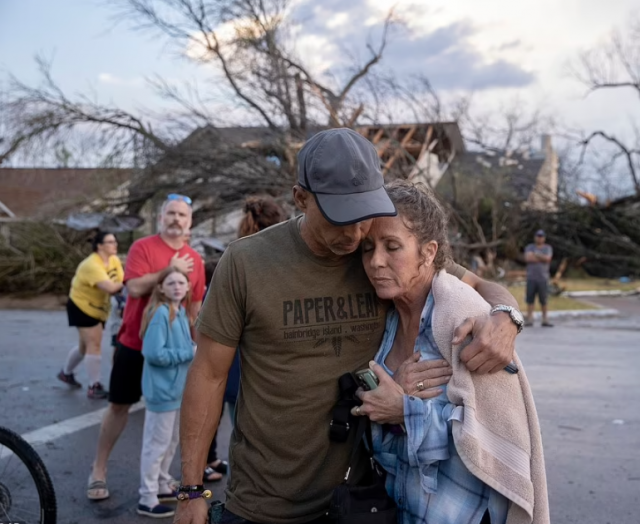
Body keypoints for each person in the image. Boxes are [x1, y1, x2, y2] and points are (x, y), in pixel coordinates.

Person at [175, 128, 524, 524]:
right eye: (340, 218)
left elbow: (480, 285)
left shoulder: (380, 260)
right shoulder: (246, 263)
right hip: (263, 504)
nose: (355, 234)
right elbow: (208, 374)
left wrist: (506, 317)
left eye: (363, 216)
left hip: (359, 500)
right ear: (301, 198)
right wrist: (190, 489)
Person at [353, 181, 548, 524]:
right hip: (407, 510)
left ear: (428, 252)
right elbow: (386, 444)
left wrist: (404, 411)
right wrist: (387, 404)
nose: (375, 261)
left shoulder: (463, 319)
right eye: (368, 248)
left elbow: (492, 444)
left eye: (392, 247)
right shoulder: (387, 319)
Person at [87, 194, 206, 501]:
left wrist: (200, 350)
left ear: (190, 222)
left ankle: (161, 480)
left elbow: (195, 308)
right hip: (135, 344)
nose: (177, 219)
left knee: (170, 418)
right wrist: (170, 268)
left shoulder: (195, 259)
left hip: (174, 357)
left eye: (182, 214)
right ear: (160, 218)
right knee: (119, 406)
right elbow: (135, 287)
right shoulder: (143, 247)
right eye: (171, 213)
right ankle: (98, 470)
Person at [203, 196, 288, 483]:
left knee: (242, 439)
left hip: (234, 373)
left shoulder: (231, 266)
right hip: (272, 377)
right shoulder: (285, 270)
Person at [138, 268, 195, 518]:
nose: (176, 286)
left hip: (176, 391)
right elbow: (153, 353)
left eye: (181, 282)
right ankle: (147, 497)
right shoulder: (161, 313)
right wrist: (189, 353)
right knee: (156, 445)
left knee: (171, 442)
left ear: (188, 286)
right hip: (162, 392)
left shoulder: (179, 311)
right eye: (170, 282)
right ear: (161, 288)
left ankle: (161, 484)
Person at [57, 231, 123, 399]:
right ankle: (94, 386)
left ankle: (66, 373)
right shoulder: (91, 265)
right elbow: (111, 287)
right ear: (99, 245)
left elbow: (121, 280)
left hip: (99, 308)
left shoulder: (114, 260)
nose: (114, 245)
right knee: (94, 344)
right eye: (110, 242)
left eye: (114, 241)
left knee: (84, 346)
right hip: (82, 307)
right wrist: (135, 283)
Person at [524, 230, 553, 327]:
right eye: (538, 236)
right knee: (530, 299)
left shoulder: (547, 248)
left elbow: (548, 259)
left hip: (543, 278)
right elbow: (528, 259)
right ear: (535, 237)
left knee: (544, 300)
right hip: (531, 277)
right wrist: (541, 257)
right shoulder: (530, 247)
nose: (539, 238)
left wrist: (536, 255)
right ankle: (529, 319)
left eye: (541, 236)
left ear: (544, 238)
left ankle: (545, 319)